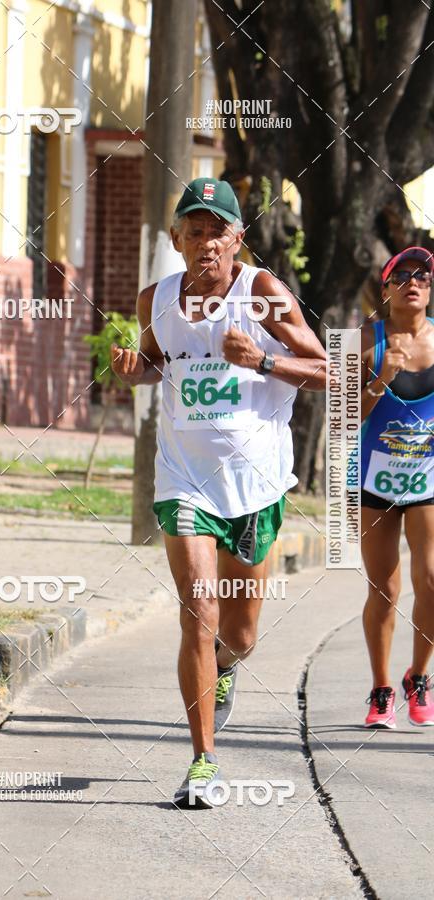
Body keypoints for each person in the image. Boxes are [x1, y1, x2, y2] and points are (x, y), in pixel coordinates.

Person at [110, 177, 327, 807]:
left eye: (218, 231)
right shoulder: (156, 299)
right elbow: (159, 360)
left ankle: (226, 668)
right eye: (195, 230)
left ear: (238, 239)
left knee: (240, 634)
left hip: (255, 486)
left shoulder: (261, 294)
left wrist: (261, 361)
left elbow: (328, 370)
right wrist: (135, 371)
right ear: (177, 238)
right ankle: (203, 761)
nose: (207, 242)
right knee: (199, 612)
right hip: (184, 480)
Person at [360, 246, 434, 729]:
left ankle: (419, 677)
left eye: (423, 276)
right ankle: (382, 688)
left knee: (432, 581)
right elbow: (343, 417)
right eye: (402, 275)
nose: (414, 282)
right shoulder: (366, 341)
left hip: (427, 478)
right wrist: (379, 380)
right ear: (385, 289)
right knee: (384, 589)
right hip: (374, 480)